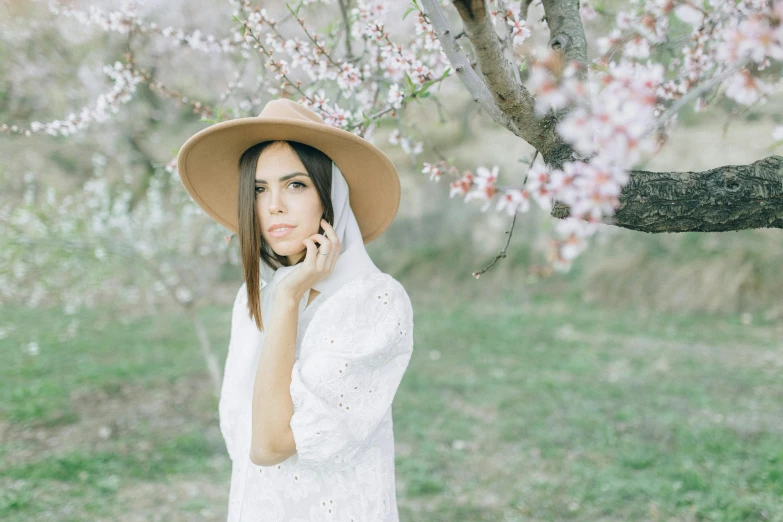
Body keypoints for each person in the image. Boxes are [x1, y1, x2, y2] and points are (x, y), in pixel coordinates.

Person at [176, 98, 414, 521]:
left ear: (329, 196)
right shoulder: (253, 298)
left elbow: (270, 445)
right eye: (259, 189)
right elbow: (244, 446)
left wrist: (287, 300)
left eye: (296, 185)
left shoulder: (374, 302)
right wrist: (284, 292)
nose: (274, 207)